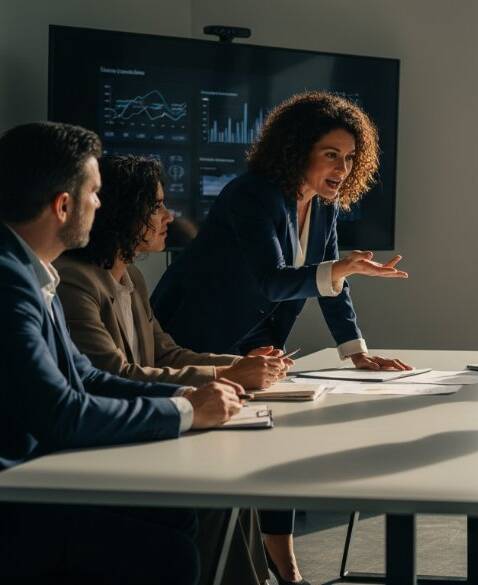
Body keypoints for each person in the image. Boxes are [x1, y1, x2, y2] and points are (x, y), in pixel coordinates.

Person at [151, 91, 409, 584]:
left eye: (349, 157)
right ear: (297, 149)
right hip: (197, 331)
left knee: (276, 434)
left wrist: (356, 351)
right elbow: (272, 279)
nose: (342, 167)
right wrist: (339, 269)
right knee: (215, 453)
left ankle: (282, 560)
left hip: (256, 338)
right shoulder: (252, 194)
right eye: (331, 154)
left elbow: (331, 285)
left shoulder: (325, 208)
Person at [0, 121, 244, 585]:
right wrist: (186, 412)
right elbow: (61, 412)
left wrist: (187, 395)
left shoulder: (32, 271)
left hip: (39, 476)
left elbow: (86, 377)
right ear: (63, 205)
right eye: (94, 193)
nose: (100, 204)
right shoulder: (10, 279)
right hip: (17, 496)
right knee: (171, 553)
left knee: (178, 516)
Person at [55, 154, 282, 585]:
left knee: (236, 484)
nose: (168, 216)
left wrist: (241, 364)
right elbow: (115, 374)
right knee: (220, 490)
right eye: (156, 205)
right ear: (124, 211)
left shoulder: (131, 279)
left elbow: (166, 354)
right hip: (109, 449)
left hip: (145, 434)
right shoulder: (75, 281)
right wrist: (225, 378)